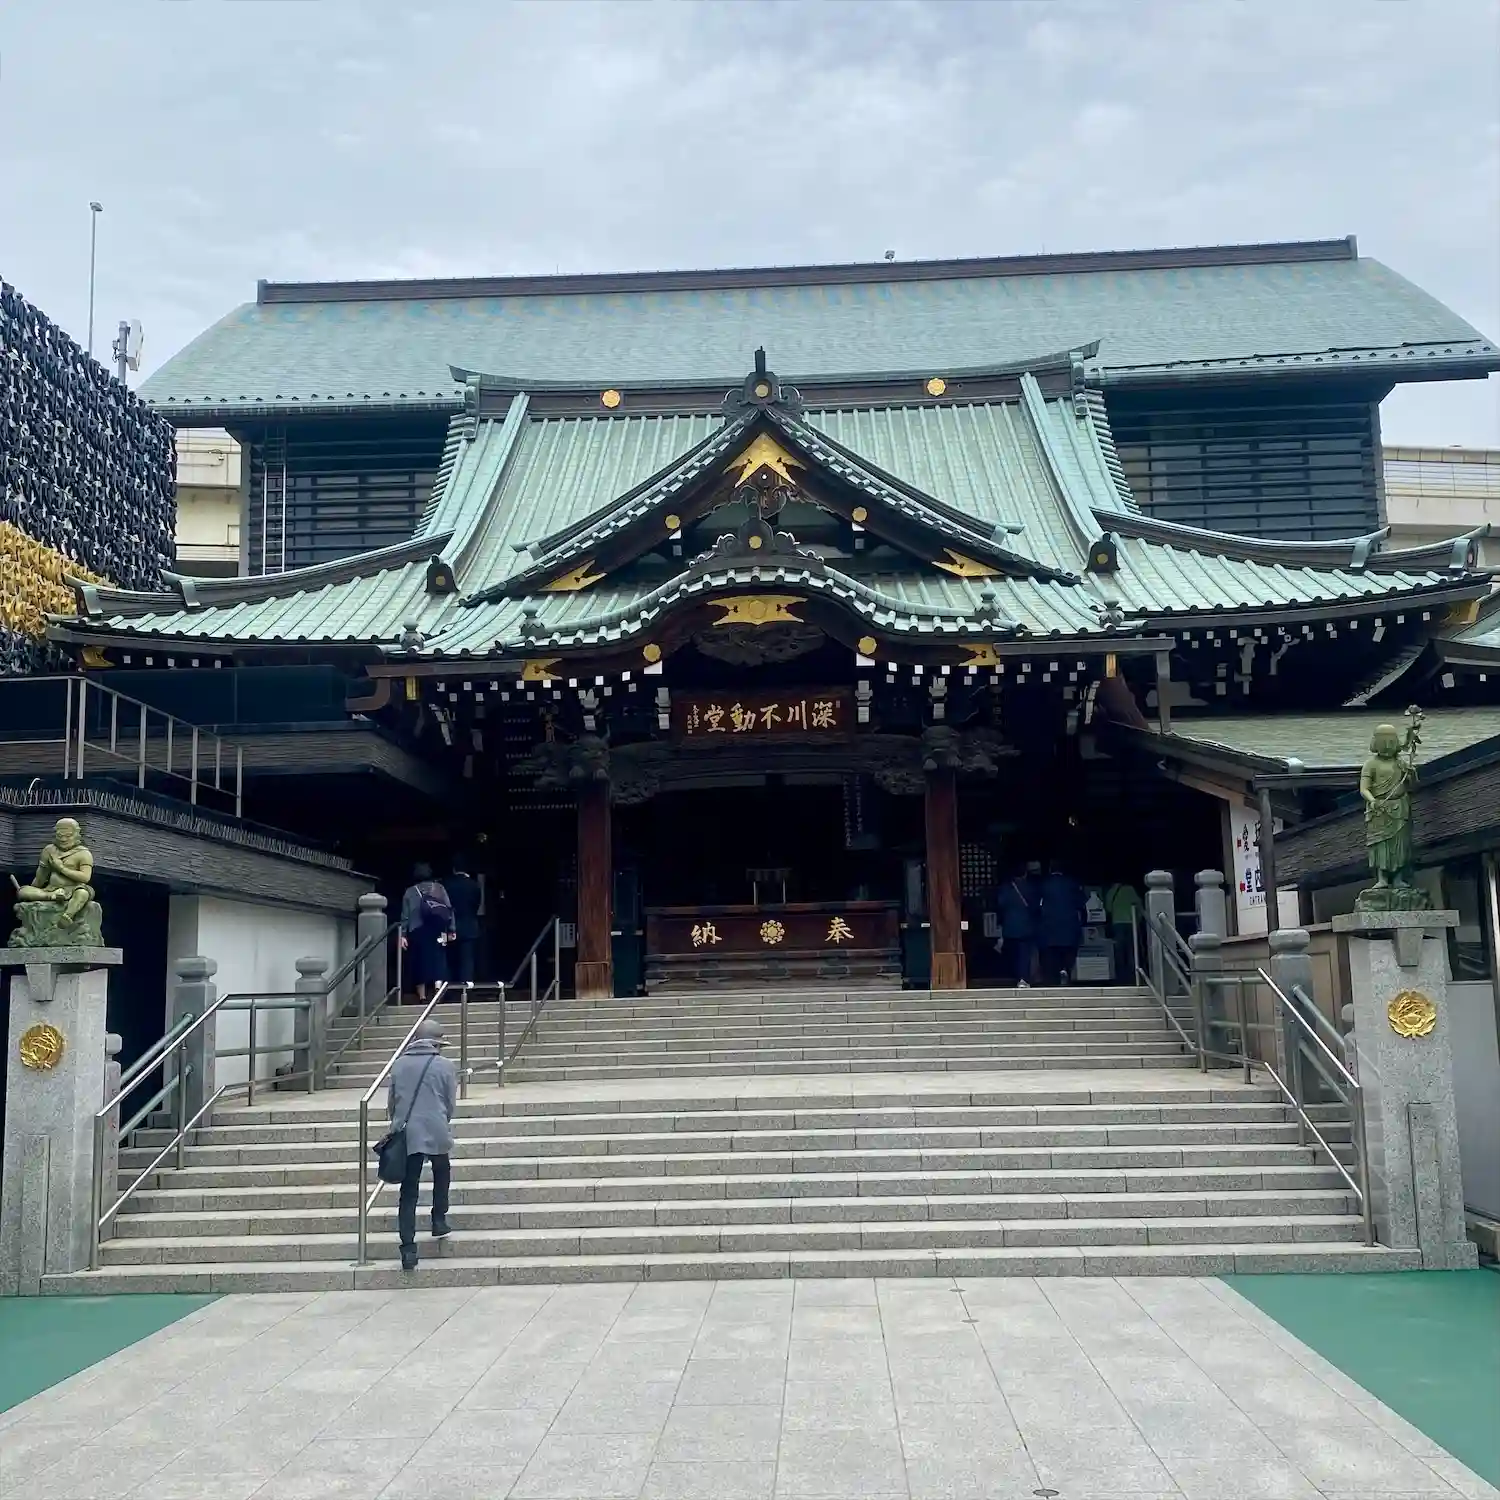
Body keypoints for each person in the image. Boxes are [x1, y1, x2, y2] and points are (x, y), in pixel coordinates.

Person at [387, 1018, 458, 1272]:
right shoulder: (445, 1066)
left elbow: (392, 1103)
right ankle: (438, 1218)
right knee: (442, 1170)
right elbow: (450, 1103)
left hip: (408, 1134)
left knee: (409, 1190)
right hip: (435, 1127)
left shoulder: (398, 1065)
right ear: (437, 1044)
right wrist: (440, 1119)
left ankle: (408, 1248)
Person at [400, 862, 455, 1002]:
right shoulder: (439, 888)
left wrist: (403, 935)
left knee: (419, 961)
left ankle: (422, 996)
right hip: (438, 929)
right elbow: (448, 909)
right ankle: (438, 990)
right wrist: (451, 929)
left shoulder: (410, 892)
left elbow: (405, 916)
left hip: (417, 931)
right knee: (439, 959)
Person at [1038, 860, 1086, 984]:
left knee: (1052, 953)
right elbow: (1081, 903)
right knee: (1069, 951)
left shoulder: (1044, 884)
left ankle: (1054, 976)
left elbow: (1037, 904)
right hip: (1069, 924)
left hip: (1049, 925)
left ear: (1050, 870)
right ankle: (1065, 969)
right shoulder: (1072, 883)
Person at [997, 862, 1042, 987]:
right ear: (1025, 873)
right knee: (1025, 954)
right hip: (1027, 925)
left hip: (1010, 926)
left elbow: (1001, 904)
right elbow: (1036, 906)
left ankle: (1016, 976)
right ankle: (1023, 978)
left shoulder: (1006, 888)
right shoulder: (1031, 888)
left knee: (1014, 954)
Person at [445, 858, 483, 989]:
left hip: (450, 926)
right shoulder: (474, 885)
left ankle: (449, 988)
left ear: (454, 869)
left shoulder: (447, 885)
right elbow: (477, 904)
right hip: (469, 925)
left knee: (449, 959)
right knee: (467, 960)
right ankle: (466, 989)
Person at [1104, 880, 1144, 984]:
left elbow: (1108, 908)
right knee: (1132, 950)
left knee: (1119, 951)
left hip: (1117, 923)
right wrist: (1139, 920)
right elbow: (1139, 905)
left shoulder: (1111, 891)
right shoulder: (1131, 889)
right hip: (1131, 922)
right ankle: (1133, 975)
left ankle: (1120, 976)